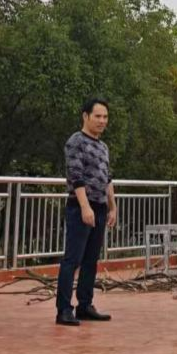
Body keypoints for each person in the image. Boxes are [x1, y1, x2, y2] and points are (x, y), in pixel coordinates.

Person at [55, 98, 117, 326]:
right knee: (73, 259)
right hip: (80, 206)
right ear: (85, 116)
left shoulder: (103, 146)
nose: (102, 121)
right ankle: (63, 309)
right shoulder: (76, 142)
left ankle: (85, 305)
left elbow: (107, 178)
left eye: (105, 117)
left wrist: (112, 206)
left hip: (100, 206)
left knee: (91, 259)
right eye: (97, 116)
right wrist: (84, 207)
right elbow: (76, 176)